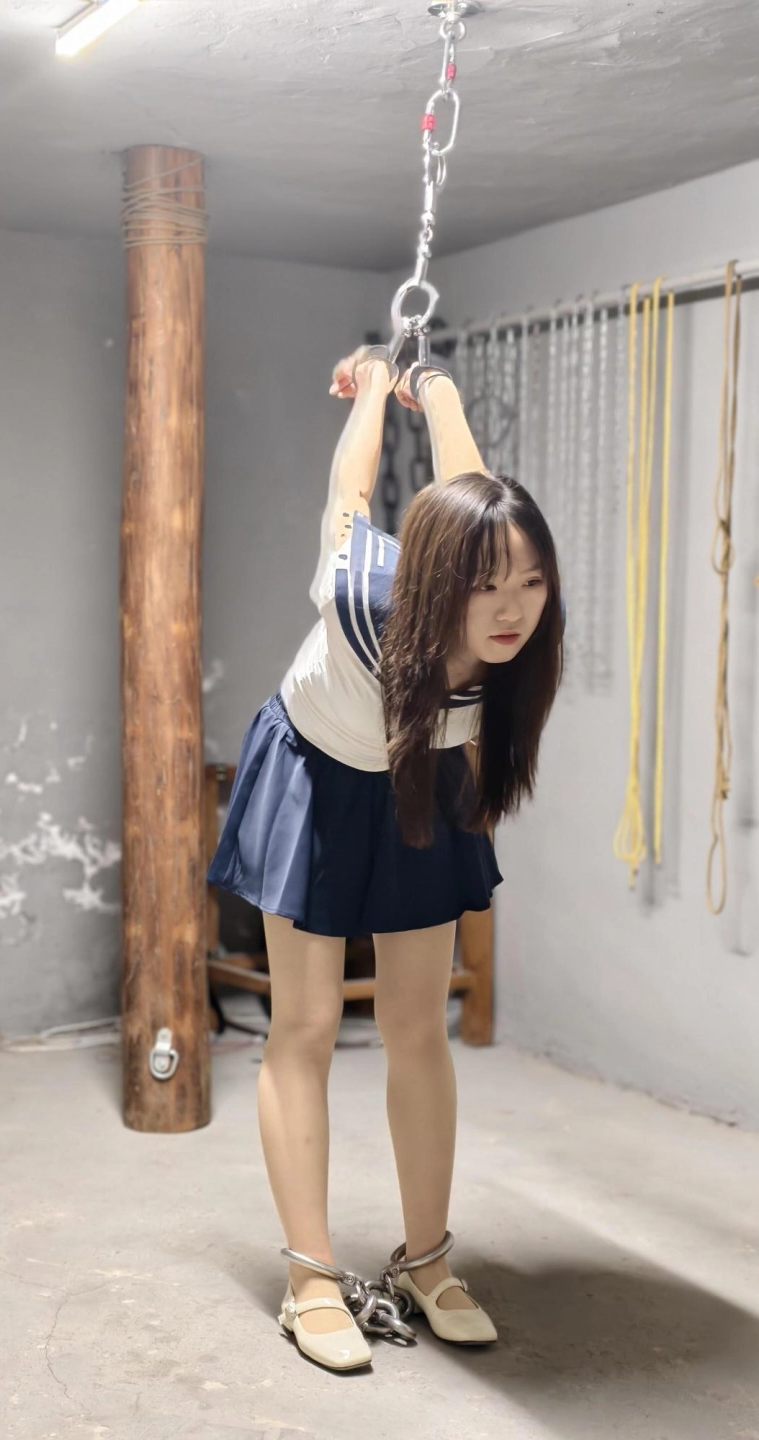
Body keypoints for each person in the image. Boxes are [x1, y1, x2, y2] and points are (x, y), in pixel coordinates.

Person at [206, 345, 564, 1371]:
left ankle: (426, 1261)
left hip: (425, 781)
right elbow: (351, 494)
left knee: (417, 1027)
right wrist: (371, 390)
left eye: (532, 582)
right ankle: (309, 1278)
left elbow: (472, 494)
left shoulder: (513, 654)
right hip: (316, 773)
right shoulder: (362, 595)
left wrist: (433, 386)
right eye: (489, 585)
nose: (513, 607)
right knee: (307, 1025)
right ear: (440, 579)